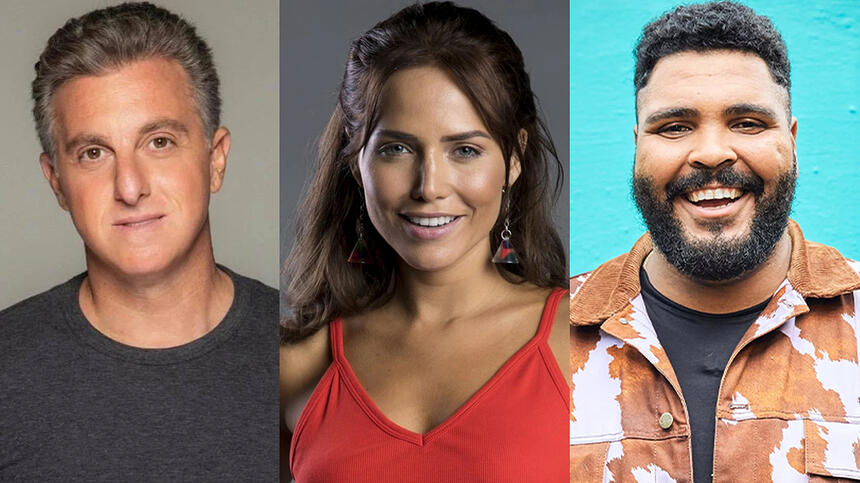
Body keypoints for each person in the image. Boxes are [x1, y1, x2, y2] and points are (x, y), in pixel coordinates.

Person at [569, 2, 860, 482]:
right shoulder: (542, 345)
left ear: (790, 139)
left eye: (747, 122)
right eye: (675, 127)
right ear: (638, 145)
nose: (709, 153)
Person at [281, 2, 569, 481]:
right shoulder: (299, 364)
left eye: (465, 150)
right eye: (397, 149)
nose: (429, 186)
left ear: (514, 160)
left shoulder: (582, 341)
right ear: (357, 161)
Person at [0, 3, 277, 479]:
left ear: (215, 160)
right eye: (93, 152)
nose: (129, 187)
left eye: (160, 142)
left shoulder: (312, 354)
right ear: (57, 182)